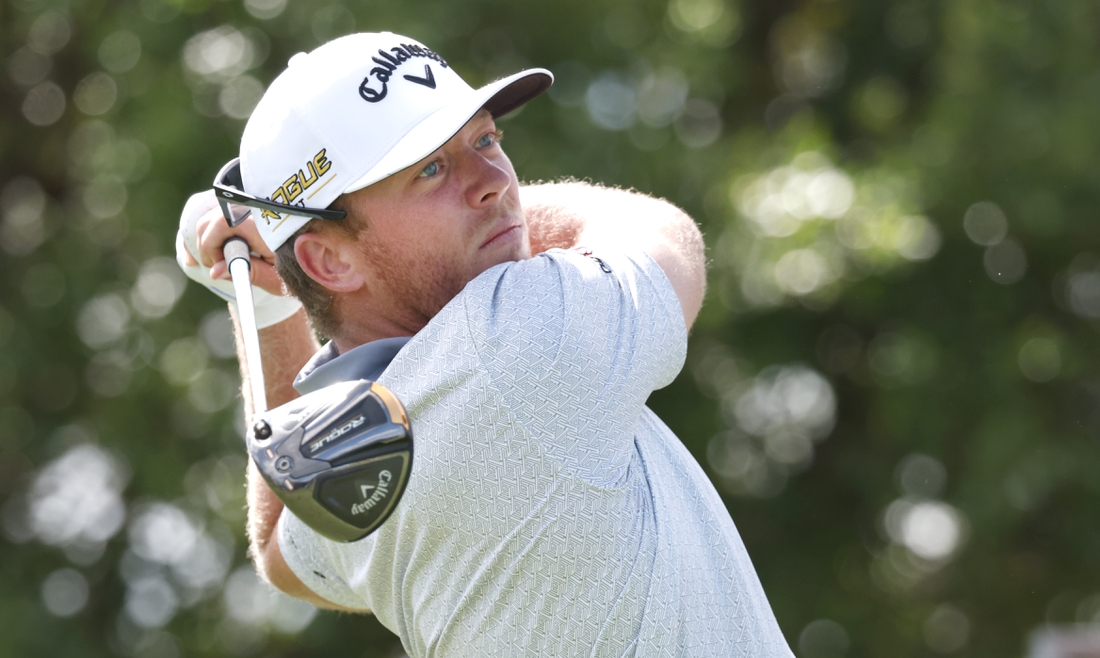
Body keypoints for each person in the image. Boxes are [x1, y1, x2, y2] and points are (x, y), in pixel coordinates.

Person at [177, 31, 794, 657]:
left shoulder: (356, 454)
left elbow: (283, 545)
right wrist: (283, 262)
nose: (495, 181)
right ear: (330, 260)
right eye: (431, 169)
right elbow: (662, 233)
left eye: (486, 139)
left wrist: (269, 299)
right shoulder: (520, 342)